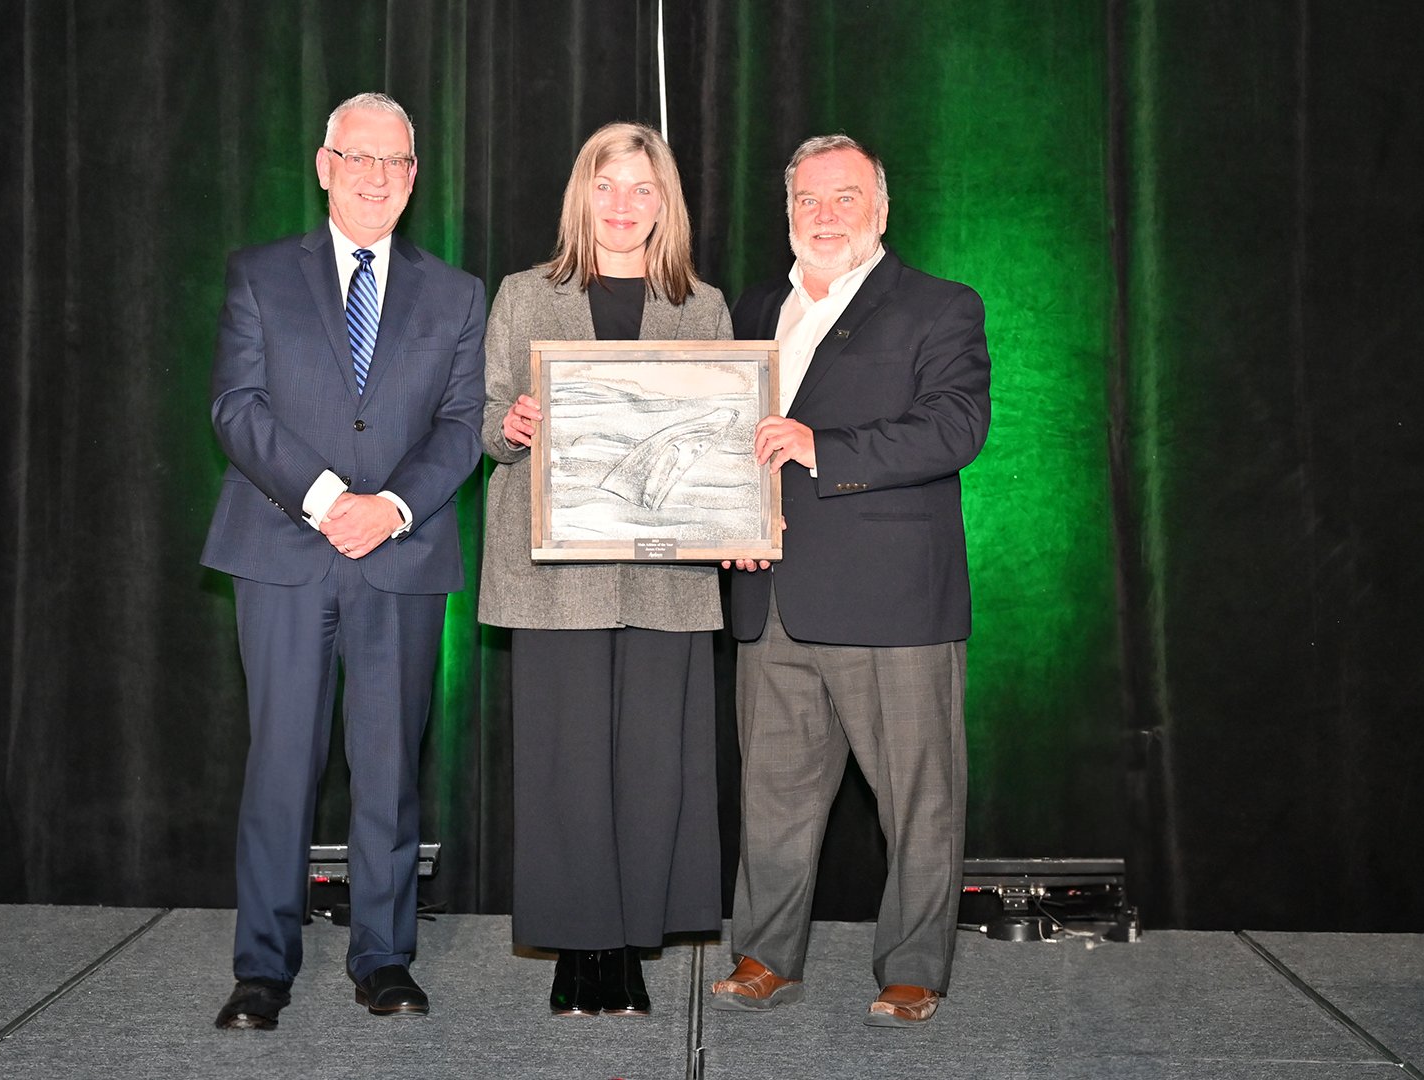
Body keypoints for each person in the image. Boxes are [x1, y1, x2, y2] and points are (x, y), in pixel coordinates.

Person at [200, 92, 485, 1030]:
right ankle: (262, 970)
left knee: (388, 768)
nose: (374, 176)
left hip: (398, 558)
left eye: (393, 162)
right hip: (283, 551)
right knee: (280, 764)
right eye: (356, 158)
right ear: (324, 166)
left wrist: (391, 508)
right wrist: (329, 502)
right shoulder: (259, 275)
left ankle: (384, 960)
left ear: (413, 177)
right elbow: (237, 410)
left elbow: (462, 425)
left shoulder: (456, 294)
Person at [712, 134, 990, 1025]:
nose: (824, 215)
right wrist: (727, 522)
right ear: (786, 210)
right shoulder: (755, 306)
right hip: (772, 595)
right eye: (807, 200)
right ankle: (765, 955)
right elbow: (723, 437)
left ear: (881, 207)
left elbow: (955, 429)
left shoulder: (939, 306)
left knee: (919, 798)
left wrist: (821, 449)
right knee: (775, 794)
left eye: (844, 198)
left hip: (892, 600)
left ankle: (914, 968)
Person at [478, 122, 731, 1017]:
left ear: (667, 205)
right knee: (565, 764)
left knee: (652, 764)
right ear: (581, 196)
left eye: (643, 189)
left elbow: (723, 445)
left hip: (667, 575)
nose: (623, 207)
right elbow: (483, 418)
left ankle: (629, 942)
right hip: (556, 572)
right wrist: (507, 430)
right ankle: (576, 947)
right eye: (607, 187)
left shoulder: (703, 307)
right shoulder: (523, 294)